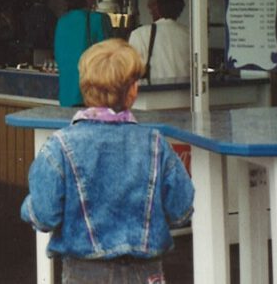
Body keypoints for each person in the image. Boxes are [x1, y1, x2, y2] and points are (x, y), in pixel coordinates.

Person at [21, 39, 194, 282]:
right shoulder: (155, 144)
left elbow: (43, 215)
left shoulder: (59, 146)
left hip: (84, 272)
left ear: (85, 86)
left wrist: (28, 207)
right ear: (132, 91)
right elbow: (181, 210)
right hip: (145, 272)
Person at [54, 0, 111, 107]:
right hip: (91, 92)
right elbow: (109, 56)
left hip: (67, 94)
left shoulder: (62, 22)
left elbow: (59, 55)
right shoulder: (98, 19)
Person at [129, 0, 190, 81]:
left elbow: (133, 70)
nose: (150, 13)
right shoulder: (190, 34)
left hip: (154, 91)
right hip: (186, 91)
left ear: (157, 9)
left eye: (151, 10)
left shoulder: (140, 34)